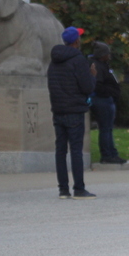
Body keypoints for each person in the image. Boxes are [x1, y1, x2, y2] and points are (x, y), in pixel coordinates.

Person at [47, 26, 97, 200]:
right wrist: (92, 75)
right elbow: (87, 87)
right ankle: (79, 189)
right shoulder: (78, 60)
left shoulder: (54, 61)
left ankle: (63, 190)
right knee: (76, 150)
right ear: (76, 41)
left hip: (58, 110)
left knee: (60, 150)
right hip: (75, 110)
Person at [89, 41, 126, 164]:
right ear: (102, 54)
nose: (109, 56)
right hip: (102, 100)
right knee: (105, 128)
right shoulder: (97, 66)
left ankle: (112, 153)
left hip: (107, 100)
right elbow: (98, 85)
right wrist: (110, 92)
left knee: (108, 128)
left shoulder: (103, 65)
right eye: (107, 53)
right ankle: (107, 155)